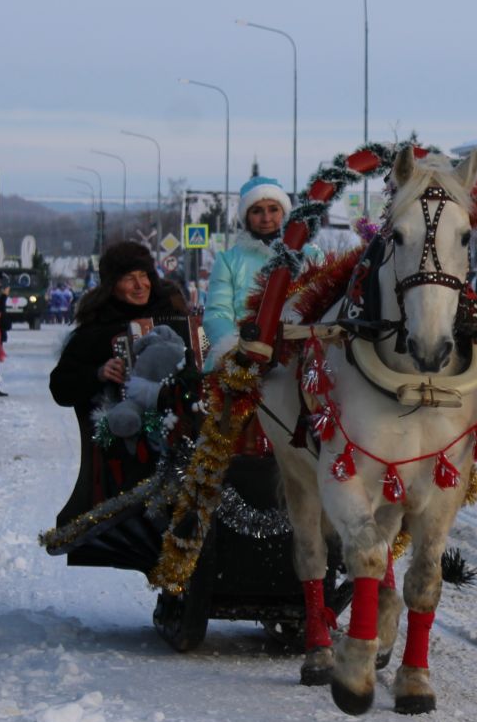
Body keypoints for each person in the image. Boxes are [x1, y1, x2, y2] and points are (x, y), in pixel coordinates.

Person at [50, 241, 191, 559]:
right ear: (112, 284)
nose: (140, 285)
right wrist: (99, 373)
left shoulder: (173, 313)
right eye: (129, 278)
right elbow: (61, 387)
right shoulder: (95, 329)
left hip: (184, 425)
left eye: (144, 275)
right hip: (131, 440)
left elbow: (202, 351)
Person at [202, 174, 319, 369]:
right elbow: (217, 315)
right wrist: (236, 350)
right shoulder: (229, 260)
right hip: (243, 361)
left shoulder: (310, 256)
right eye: (257, 211)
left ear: (285, 213)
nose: (266, 218)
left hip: (300, 357)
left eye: (273, 209)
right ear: (246, 217)